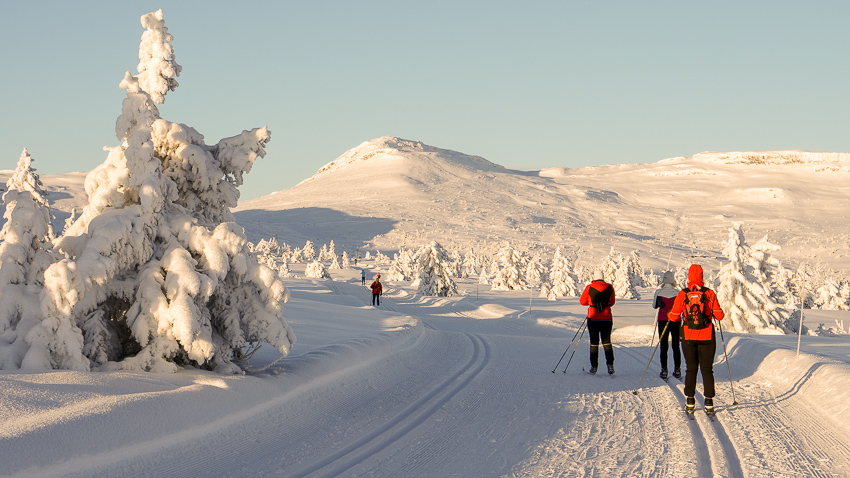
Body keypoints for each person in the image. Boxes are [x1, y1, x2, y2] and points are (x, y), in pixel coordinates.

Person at [667, 264, 725, 414]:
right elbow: (719, 315)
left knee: (691, 369)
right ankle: (709, 403)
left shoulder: (682, 294)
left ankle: (690, 401)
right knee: (707, 370)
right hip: (707, 337)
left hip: (688, 337)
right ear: (702, 278)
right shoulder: (709, 293)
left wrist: (670, 315)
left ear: (689, 278)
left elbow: (673, 316)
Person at [580, 270, 616, 374]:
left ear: (594, 277)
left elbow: (582, 302)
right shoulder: (610, 287)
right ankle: (610, 365)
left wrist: (591, 303)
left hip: (593, 318)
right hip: (607, 318)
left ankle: (594, 367)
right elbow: (612, 302)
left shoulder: (589, 287)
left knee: (594, 343)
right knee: (607, 342)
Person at [653, 271, 681, 380]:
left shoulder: (658, 292)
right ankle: (677, 370)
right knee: (675, 346)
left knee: (663, 345)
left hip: (663, 320)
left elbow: (654, 306)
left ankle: (664, 370)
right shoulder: (678, 293)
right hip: (676, 320)